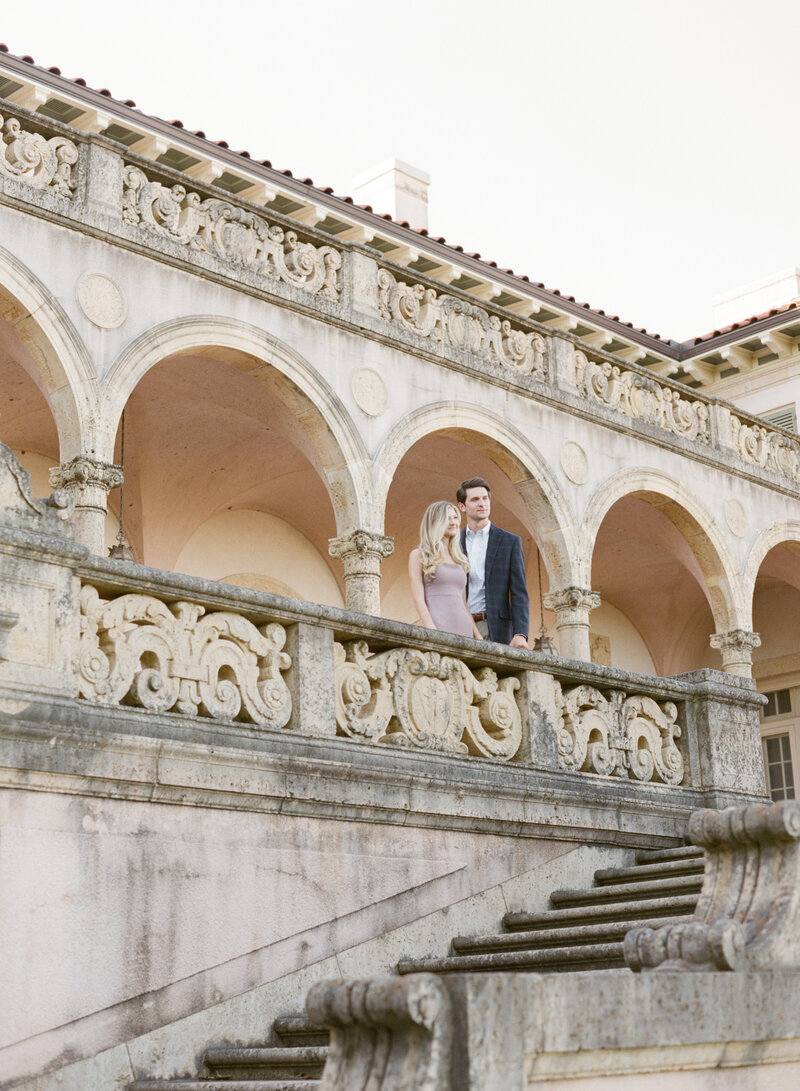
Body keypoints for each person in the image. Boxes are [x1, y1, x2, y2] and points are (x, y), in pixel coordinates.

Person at [457, 477, 529, 647]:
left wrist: (520, 633)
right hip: (460, 625)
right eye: (475, 499)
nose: (482, 503)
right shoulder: (453, 542)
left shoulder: (510, 542)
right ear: (462, 506)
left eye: (485, 498)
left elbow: (519, 592)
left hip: (496, 627)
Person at [409, 501, 483, 639]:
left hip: (464, 627)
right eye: (447, 518)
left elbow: (463, 603)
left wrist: (477, 635)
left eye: (455, 517)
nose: (453, 522)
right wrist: (431, 629)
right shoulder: (419, 555)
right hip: (438, 625)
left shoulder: (460, 560)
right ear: (435, 522)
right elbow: (418, 599)